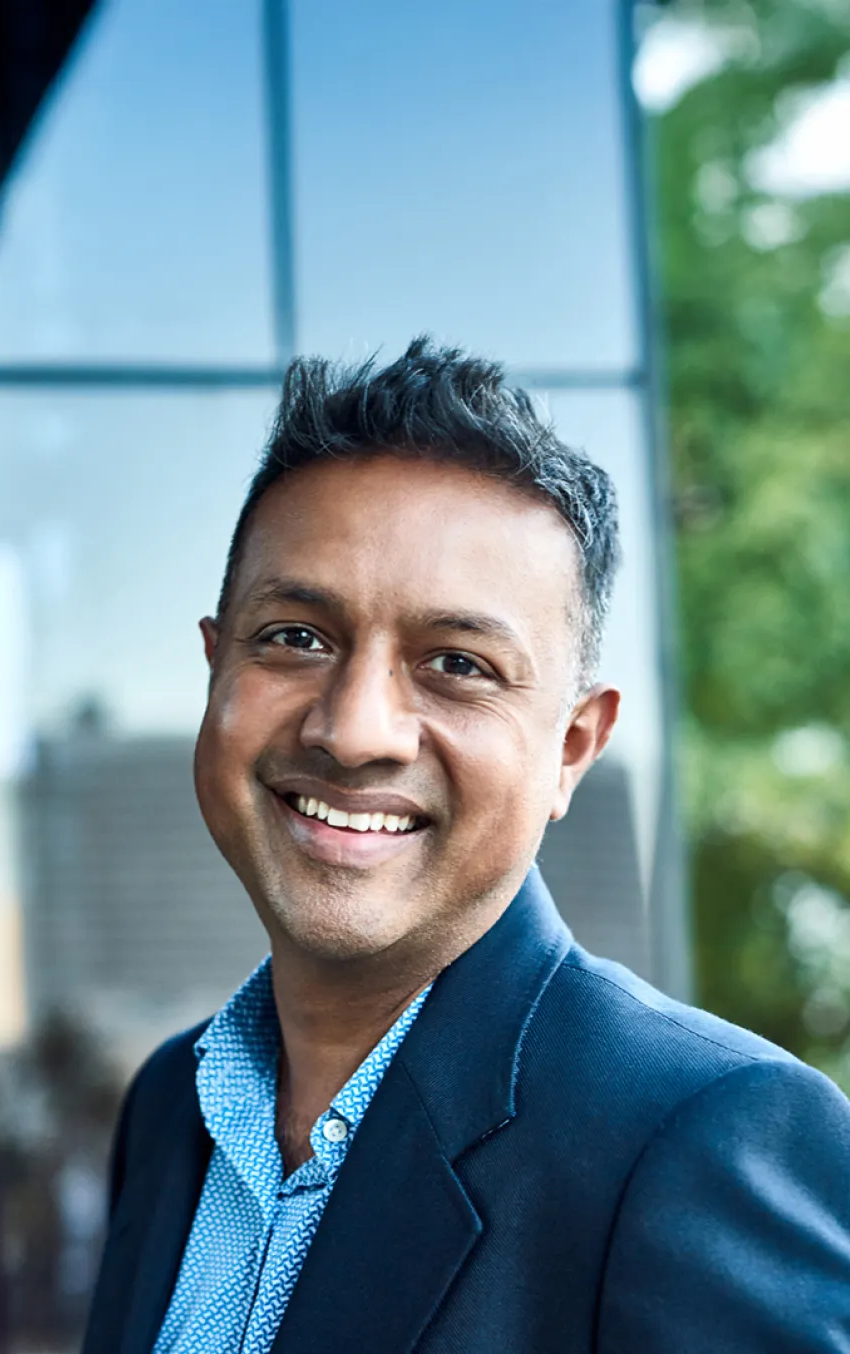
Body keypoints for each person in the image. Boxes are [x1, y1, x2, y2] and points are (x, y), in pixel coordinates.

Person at [81, 338, 850, 1354]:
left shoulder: (697, 1134)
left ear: (571, 748)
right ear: (216, 667)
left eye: (456, 664)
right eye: (296, 638)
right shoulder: (172, 1105)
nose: (353, 731)